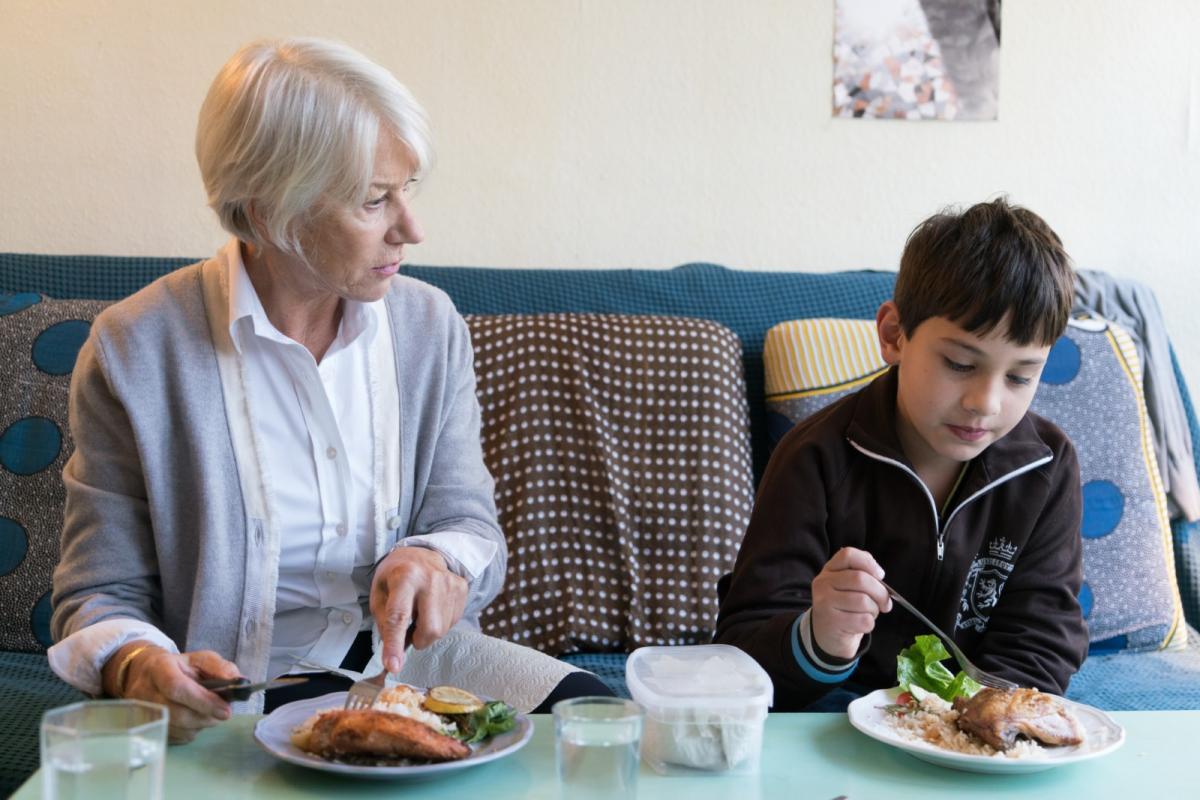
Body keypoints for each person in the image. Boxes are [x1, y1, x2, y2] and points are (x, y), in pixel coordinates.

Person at [48, 36, 609, 743]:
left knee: (601, 724)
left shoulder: (428, 326)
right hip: (238, 692)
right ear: (268, 212)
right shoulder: (137, 346)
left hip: (414, 672)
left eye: (408, 191)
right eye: (375, 200)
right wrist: (136, 662)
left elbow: (472, 526)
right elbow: (98, 594)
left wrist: (434, 559)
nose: (412, 228)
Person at [715, 198, 1087, 711]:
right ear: (894, 336)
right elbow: (741, 649)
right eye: (959, 363)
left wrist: (971, 721)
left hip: (975, 732)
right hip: (833, 715)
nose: (986, 402)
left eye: (1021, 375)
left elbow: (1042, 638)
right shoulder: (815, 458)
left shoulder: (1047, 467)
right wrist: (821, 637)